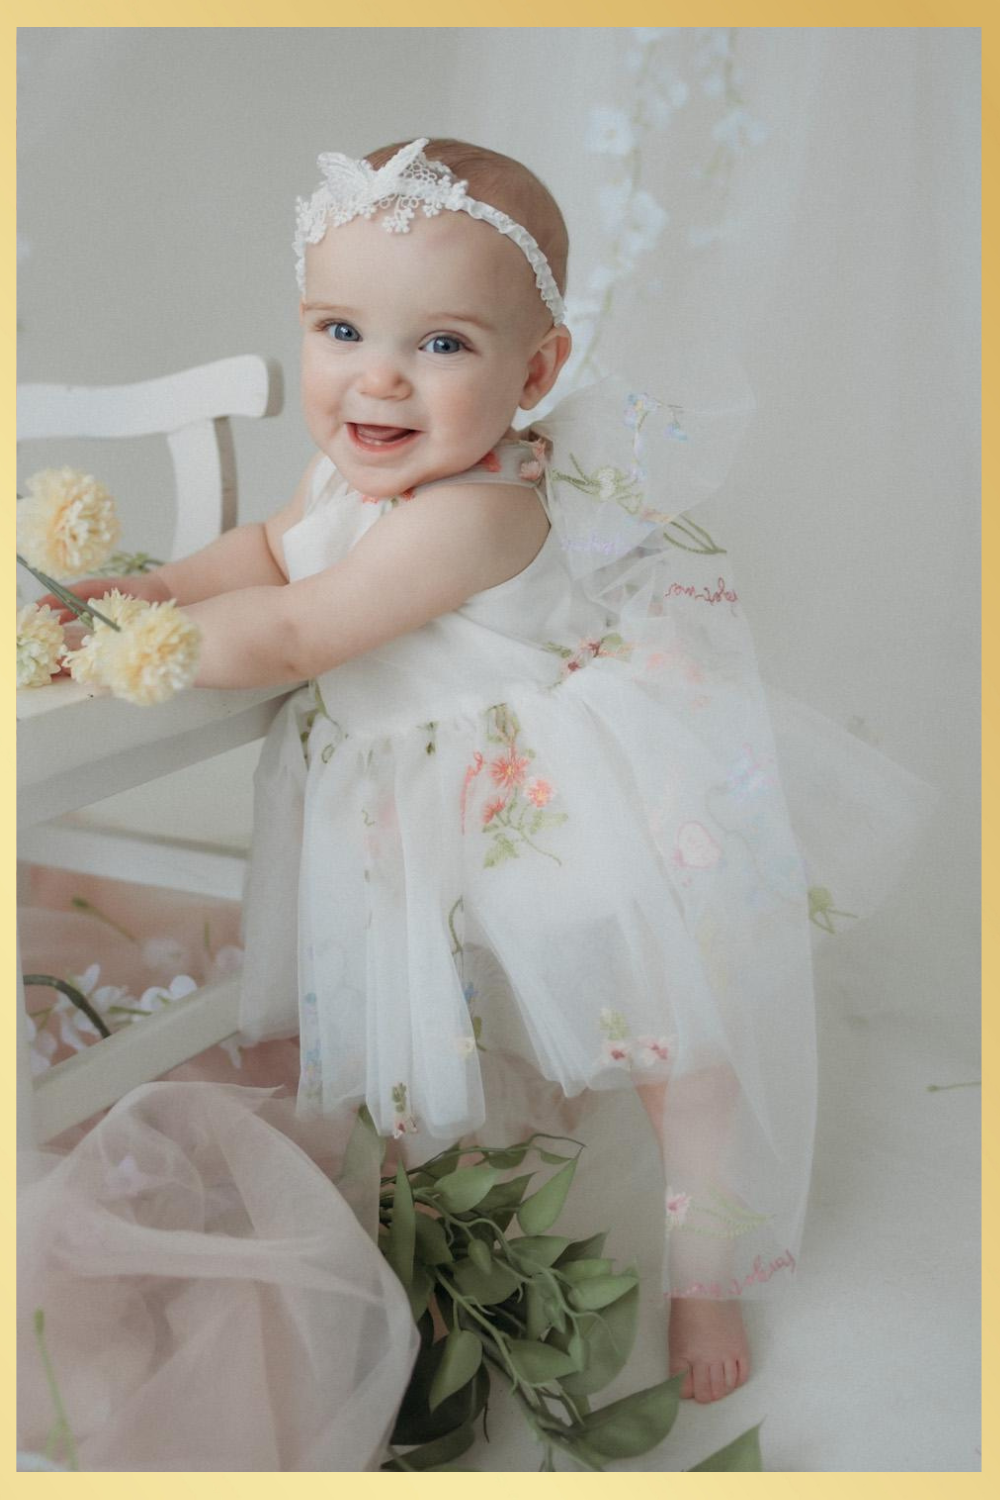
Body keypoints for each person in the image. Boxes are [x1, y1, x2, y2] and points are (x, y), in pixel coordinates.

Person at [45, 136, 935, 1409]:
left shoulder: (480, 508)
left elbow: (303, 630)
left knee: (676, 1050)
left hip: (551, 808)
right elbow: (262, 556)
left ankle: (704, 1266)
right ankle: (438, 1231)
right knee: (411, 1049)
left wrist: (141, 647)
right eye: (341, 328)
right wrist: (153, 585)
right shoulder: (345, 474)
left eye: (443, 345)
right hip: (404, 808)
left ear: (538, 371)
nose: (380, 380)